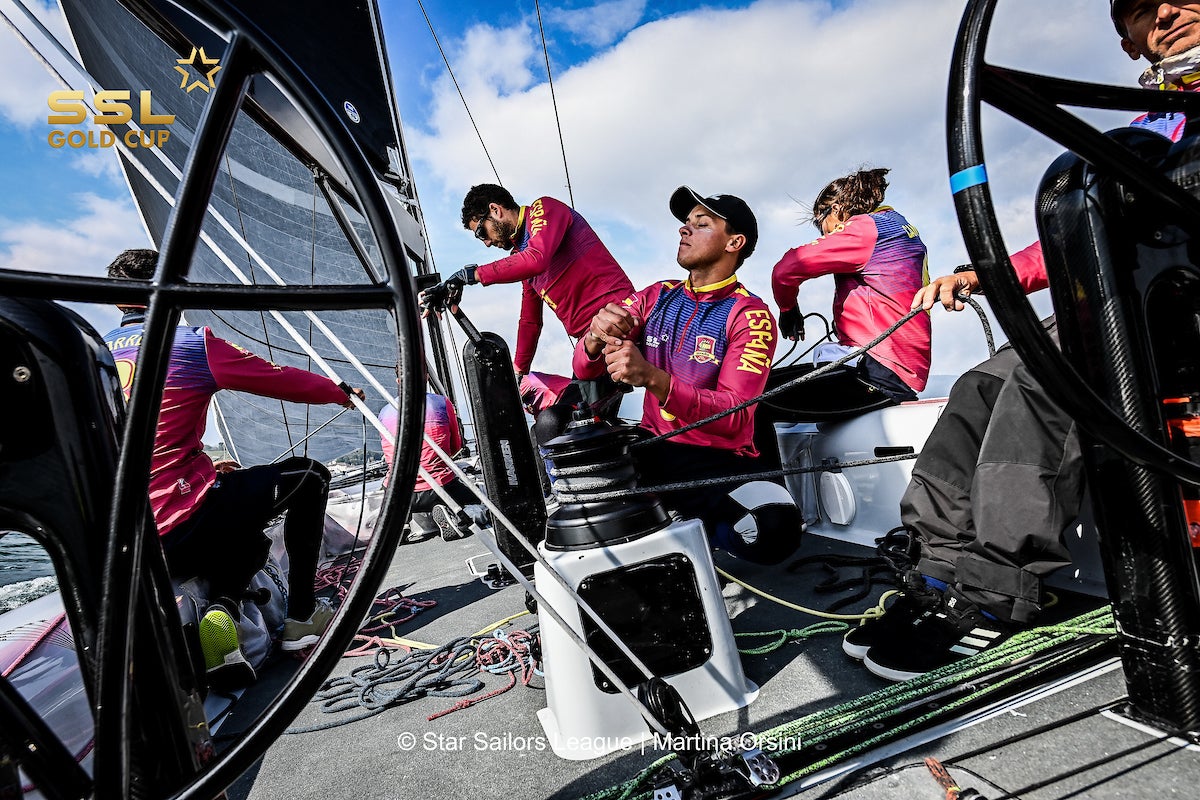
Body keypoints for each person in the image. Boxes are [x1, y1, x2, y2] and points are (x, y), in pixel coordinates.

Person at [852, 0, 1200, 682]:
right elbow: (1078, 238)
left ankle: (992, 592)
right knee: (984, 381)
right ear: (1128, 42)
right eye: (1137, 6)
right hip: (1124, 305)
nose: (1163, 9)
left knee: (1048, 378)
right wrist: (987, 274)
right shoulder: (1142, 131)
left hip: (1175, 309)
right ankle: (941, 570)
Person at [102, 249, 364, 675]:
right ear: (173, 286)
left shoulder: (97, 355)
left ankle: (220, 617)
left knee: (243, 527)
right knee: (310, 478)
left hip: (132, 540)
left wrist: (204, 470)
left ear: (117, 302)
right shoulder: (190, 343)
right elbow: (274, 376)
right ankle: (301, 616)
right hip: (184, 521)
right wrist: (338, 392)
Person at [572, 187, 796, 564]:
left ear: (734, 242)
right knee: (555, 424)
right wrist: (594, 336)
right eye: (685, 223)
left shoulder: (750, 315)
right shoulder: (655, 296)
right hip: (652, 450)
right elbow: (582, 367)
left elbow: (735, 415)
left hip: (717, 459)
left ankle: (684, 528)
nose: (684, 231)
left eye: (701, 224)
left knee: (776, 533)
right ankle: (675, 527)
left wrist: (653, 378)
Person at [425, 184, 635, 434]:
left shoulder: (543, 210)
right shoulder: (522, 253)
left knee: (557, 427)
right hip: (591, 346)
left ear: (495, 210)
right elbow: (530, 321)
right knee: (566, 427)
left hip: (617, 323)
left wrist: (470, 275)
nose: (487, 243)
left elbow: (537, 259)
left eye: (482, 232)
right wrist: (517, 373)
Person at [379, 390, 486, 542]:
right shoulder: (441, 402)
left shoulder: (384, 411)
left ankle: (401, 523)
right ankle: (453, 514)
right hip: (439, 487)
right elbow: (455, 447)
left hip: (398, 495)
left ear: (397, 380)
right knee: (478, 500)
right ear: (426, 375)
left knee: (391, 487)